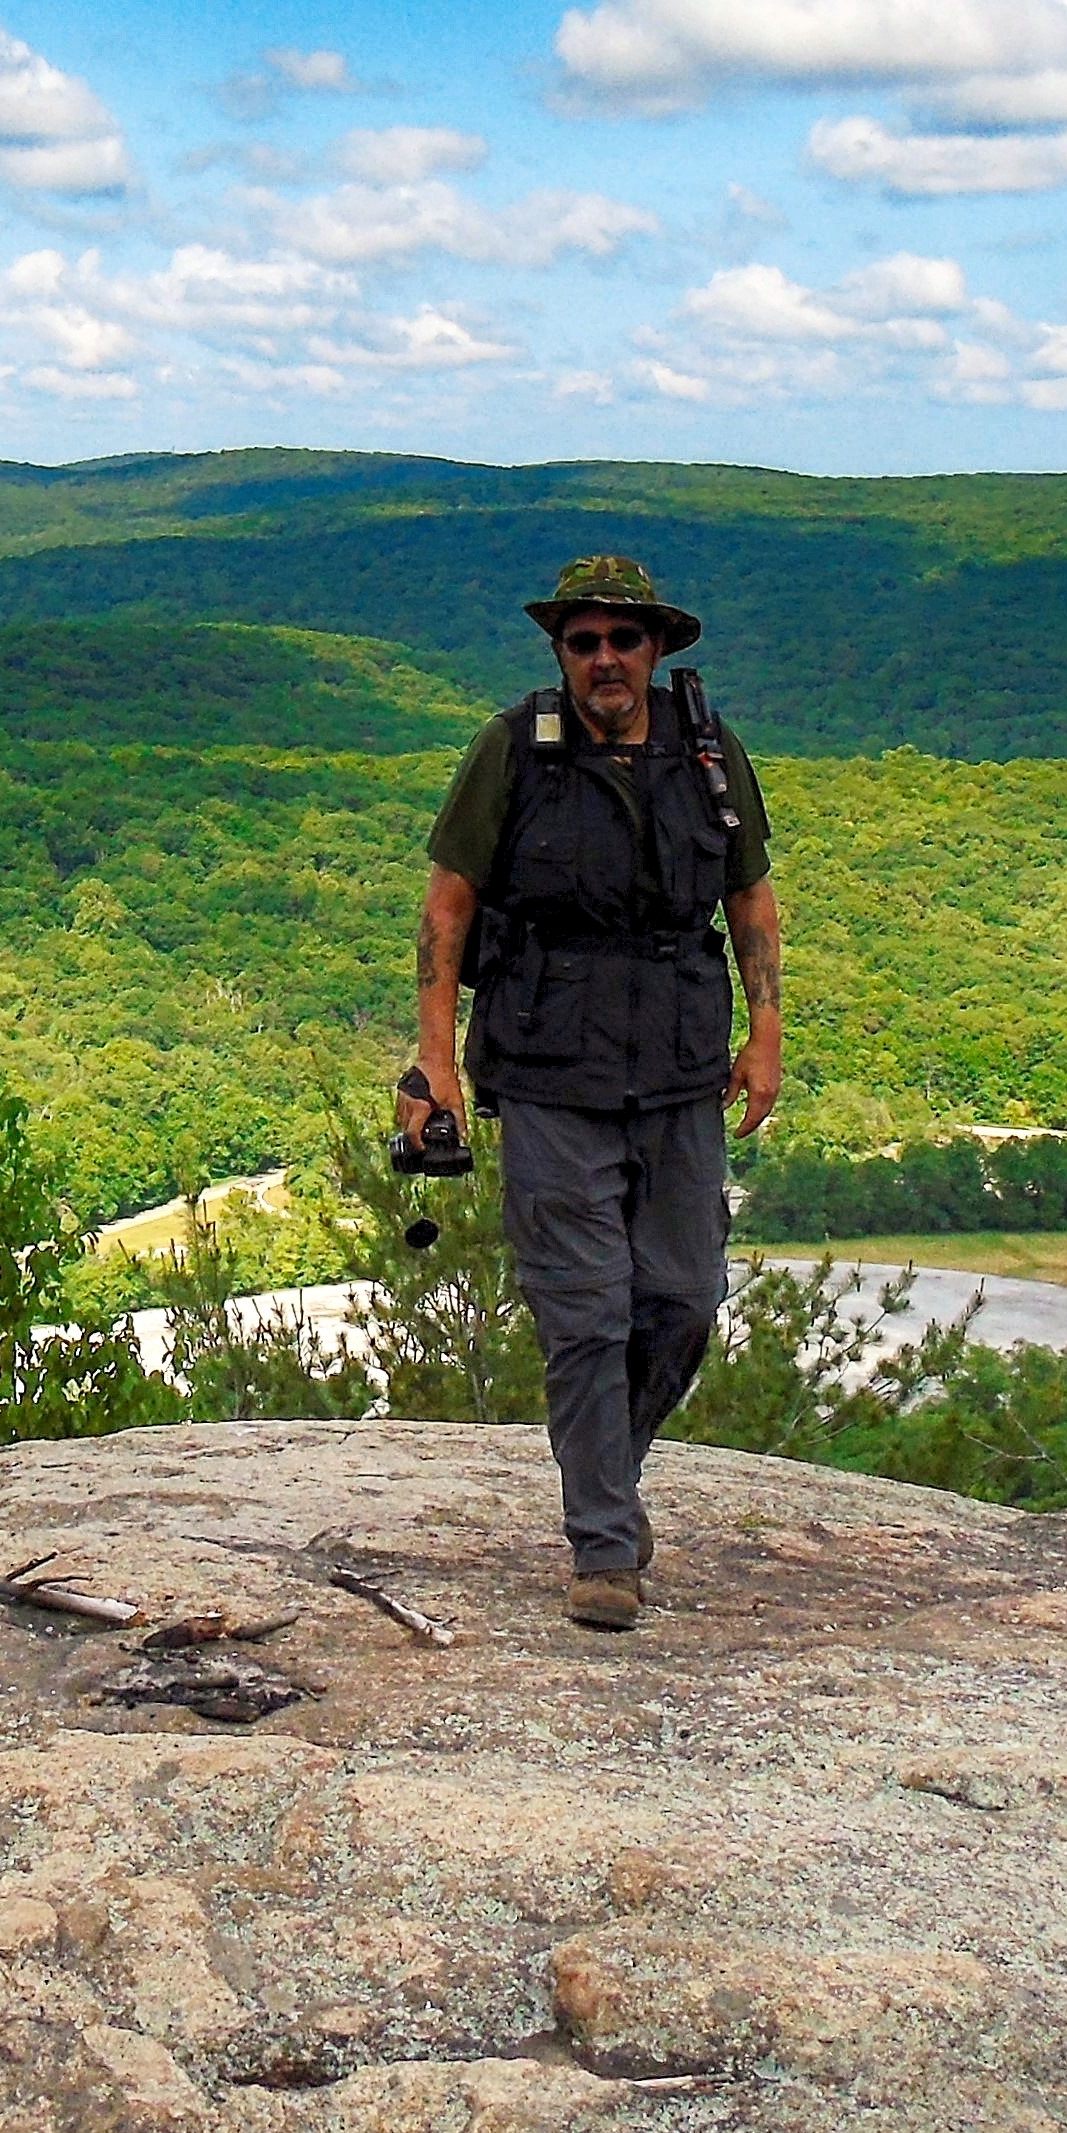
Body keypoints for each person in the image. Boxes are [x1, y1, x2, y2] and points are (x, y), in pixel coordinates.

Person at [401, 554, 783, 1630]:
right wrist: (434, 1064)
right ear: (560, 652)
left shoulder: (706, 751)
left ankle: (608, 1465)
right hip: (548, 1064)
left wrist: (766, 1033)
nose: (604, 659)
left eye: (623, 639)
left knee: (683, 1299)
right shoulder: (513, 748)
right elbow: (447, 907)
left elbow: (750, 898)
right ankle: (605, 1545)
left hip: (678, 1063)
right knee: (584, 1311)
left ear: (656, 648)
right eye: (584, 642)